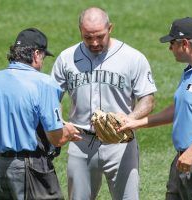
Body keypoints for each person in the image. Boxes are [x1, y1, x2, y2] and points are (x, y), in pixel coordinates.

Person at [51, 7, 157, 200]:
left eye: (100, 36)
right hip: (81, 142)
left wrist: (130, 119)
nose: (94, 43)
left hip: (121, 143)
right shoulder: (66, 58)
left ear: (110, 28)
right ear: (80, 31)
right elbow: (51, 98)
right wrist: (60, 123)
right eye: (88, 37)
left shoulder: (133, 58)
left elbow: (148, 100)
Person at [119, 17, 192, 199]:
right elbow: (179, 109)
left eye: (171, 44)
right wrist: (136, 122)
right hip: (184, 161)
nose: (170, 49)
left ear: (184, 43)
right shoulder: (191, 70)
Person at [0, 28, 82, 200]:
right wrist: (68, 132)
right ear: (35, 54)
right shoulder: (45, 84)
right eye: (43, 56)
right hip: (30, 168)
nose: (42, 62)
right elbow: (56, 138)